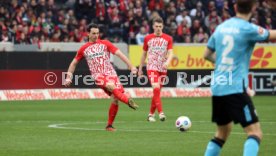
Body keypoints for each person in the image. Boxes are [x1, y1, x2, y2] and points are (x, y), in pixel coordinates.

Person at [203, 0, 276, 156]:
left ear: (235, 7)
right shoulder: (249, 29)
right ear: (254, 8)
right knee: (254, 133)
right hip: (234, 87)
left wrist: (223, 63)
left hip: (218, 86)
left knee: (222, 132)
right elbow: (272, 35)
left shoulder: (221, 28)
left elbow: (206, 55)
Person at [64, 24, 139, 131]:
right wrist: (68, 78)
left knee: (115, 99)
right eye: (93, 33)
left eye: (97, 33)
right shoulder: (83, 49)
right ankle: (128, 101)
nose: (96, 35)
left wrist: (131, 67)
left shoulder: (105, 43)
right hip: (98, 76)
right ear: (88, 34)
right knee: (111, 86)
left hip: (111, 74)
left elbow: (120, 54)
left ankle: (109, 125)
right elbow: (73, 64)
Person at [138, 17, 174, 122]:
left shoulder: (168, 38)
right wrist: (140, 68)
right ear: (153, 26)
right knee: (156, 88)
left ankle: (150, 115)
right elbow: (144, 54)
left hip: (162, 68)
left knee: (157, 92)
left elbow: (171, 52)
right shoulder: (147, 38)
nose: (158, 28)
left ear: (162, 26)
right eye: (156, 26)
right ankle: (161, 113)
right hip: (152, 66)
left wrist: (167, 62)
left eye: (160, 26)